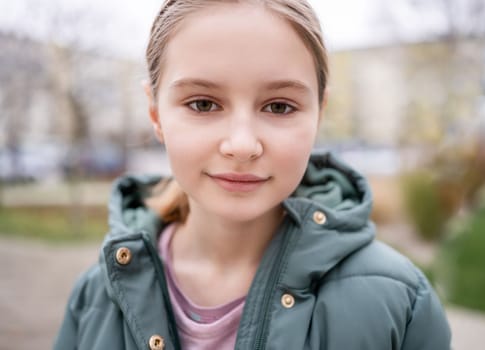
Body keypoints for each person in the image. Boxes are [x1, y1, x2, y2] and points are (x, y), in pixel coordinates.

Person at [54, 0, 451, 349]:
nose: (242, 145)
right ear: (155, 113)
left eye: (279, 107)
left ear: (319, 114)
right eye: (203, 103)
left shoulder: (399, 303)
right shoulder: (95, 298)